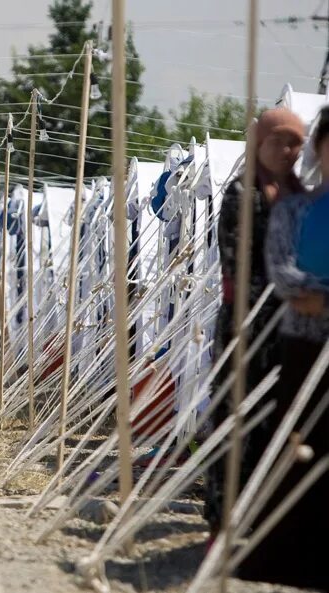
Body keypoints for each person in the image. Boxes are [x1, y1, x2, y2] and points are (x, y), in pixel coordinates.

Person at [203, 108, 306, 538]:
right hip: (245, 327)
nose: (289, 151)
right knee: (235, 419)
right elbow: (241, 268)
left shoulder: (301, 197)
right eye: (280, 140)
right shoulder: (241, 196)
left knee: (276, 423)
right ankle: (222, 521)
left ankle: (263, 524)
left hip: (290, 328)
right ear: (258, 142)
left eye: (296, 143)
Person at [247, 107, 329, 590]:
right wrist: (315, 292)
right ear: (320, 150)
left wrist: (320, 293)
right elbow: (282, 271)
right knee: (298, 448)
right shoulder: (296, 210)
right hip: (303, 343)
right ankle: (290, 559)